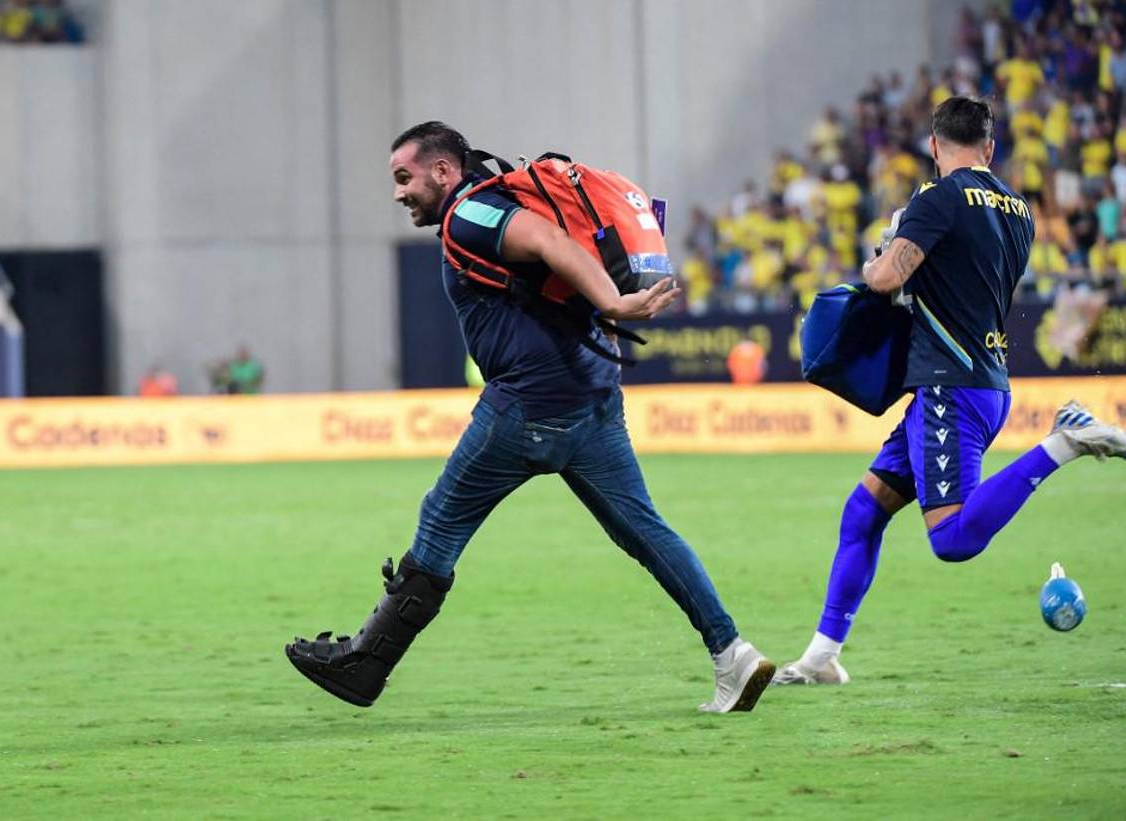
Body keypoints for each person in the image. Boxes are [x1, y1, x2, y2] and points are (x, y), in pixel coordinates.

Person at [286, 121, 776, 713]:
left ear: (443, 171)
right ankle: (733, 655)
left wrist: (614, 303)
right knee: (646, 532)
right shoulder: (488, 205)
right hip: (592, 402)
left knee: (441, 519)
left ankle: (366, 665)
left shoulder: (470, 215)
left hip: (527, 409)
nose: (398, 193)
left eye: (404, 177)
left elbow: (554, 244)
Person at [774, 97, 1126, 687]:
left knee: (951, 539)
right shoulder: (1020, 211)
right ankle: (823, 655)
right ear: (990, 148)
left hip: (950, 386)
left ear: (933, 145)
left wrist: (885, 248)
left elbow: (887, 277)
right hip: (982, 384)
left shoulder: (937, 199)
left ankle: (1065, 443)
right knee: (863, 512)